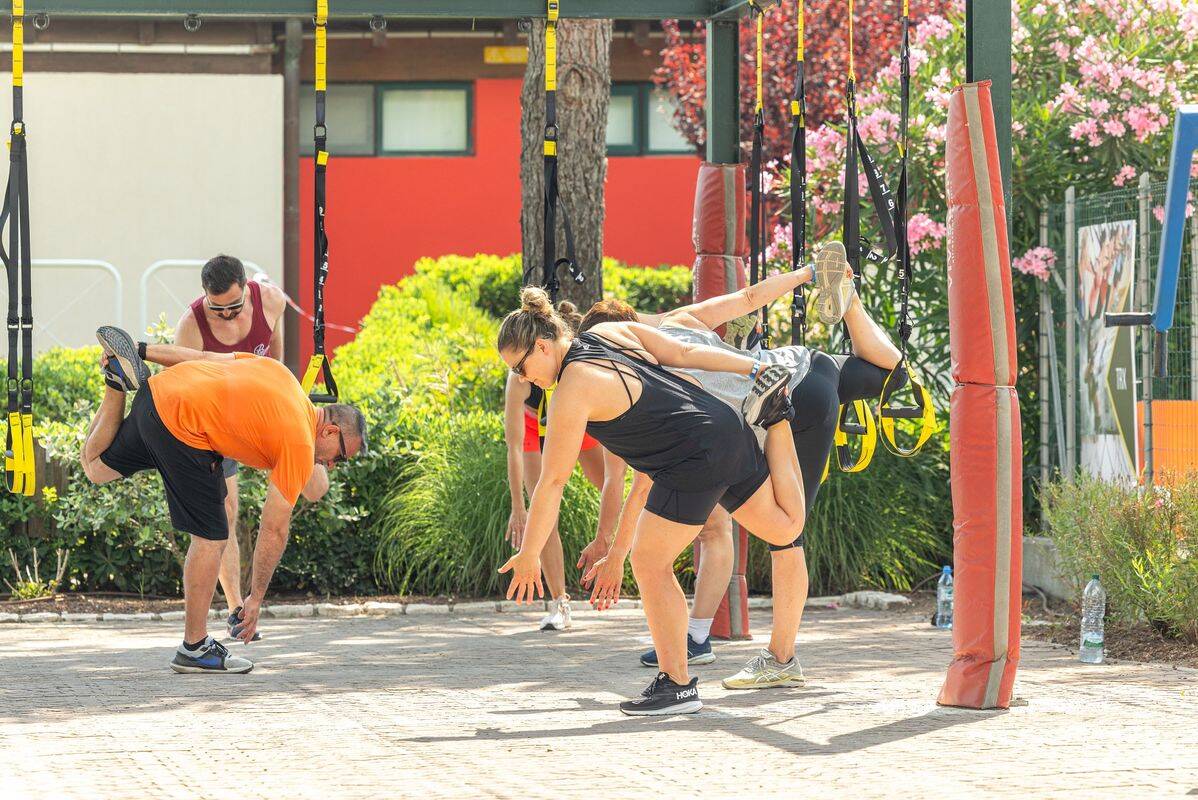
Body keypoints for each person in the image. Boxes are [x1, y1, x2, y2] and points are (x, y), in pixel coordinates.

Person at [578, 241, 904, 692]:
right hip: (806, 366)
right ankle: (848, 302)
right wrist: (809, 273)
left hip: (787, 402)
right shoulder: (678, 320)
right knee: (890, 373)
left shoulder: (648, 369)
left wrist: (617, 555)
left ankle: (781, 659)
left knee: (786, 533)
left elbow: (643, 482)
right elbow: (750, 298)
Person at [496, 287, 804, 716]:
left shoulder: (571, 388)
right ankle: (777, 419)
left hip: (690, 460)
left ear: (543, 346)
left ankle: (677, 685)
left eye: (521, 368)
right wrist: (756, 367)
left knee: (648, 562)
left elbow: (551, 483)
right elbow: (681, 352)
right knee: (786, 527)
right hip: (724, 426)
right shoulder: (614, 333)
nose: (524, 379)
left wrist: (530, 553)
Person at [81, 325, 367, 674]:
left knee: (96, 468)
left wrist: (141, 350)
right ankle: (195, 648)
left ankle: (116, 382)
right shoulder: (299, 443)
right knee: (212, 538)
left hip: (158, 393)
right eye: (340, 456)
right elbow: (274, 529)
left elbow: (203, 357)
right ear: (330, 431)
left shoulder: (282, 375)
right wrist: (256, 599)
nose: (333, 465)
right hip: (183, 428)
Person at [174, 254, 294, 640]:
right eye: (217, 309)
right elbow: (182, 389)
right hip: (215, 425)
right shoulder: (191, 325)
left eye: (234, 307)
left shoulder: (271, 300)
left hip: (260, 416)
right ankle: (236, 608)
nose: (226, 316)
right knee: (223, 512)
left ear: (247, 288)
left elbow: (277, 360)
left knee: (314, 484)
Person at [504, 300, 612, 631]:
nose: (520, 374)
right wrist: (519, 506)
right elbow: (513, 447)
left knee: (612, 482)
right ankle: (559, 602)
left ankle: (625, 551)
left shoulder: (573, 366)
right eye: (514, 369)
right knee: (542, 509)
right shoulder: (519, 383)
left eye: (520, 366)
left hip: (574, 421)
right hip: (536, 431)